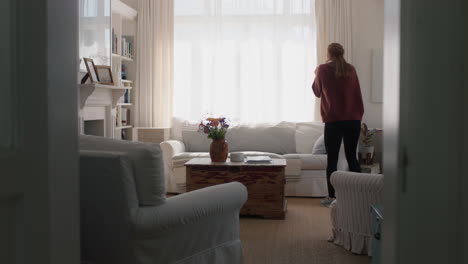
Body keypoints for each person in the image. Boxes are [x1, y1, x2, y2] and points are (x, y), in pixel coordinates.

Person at [312, 43, 364, 207]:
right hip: (353, 120)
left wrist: (316, 74)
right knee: (352, 158)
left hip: (334, 121)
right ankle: (359, 196)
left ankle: (332, 197)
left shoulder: (322, 69)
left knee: (332, 160)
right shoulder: (351, 69)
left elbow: (317, 91)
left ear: (328, 54)